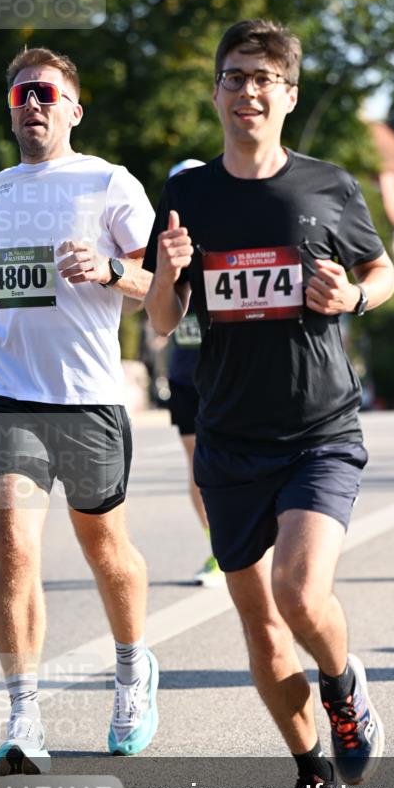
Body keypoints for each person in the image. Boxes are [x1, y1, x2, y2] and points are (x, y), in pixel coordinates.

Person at [143, 19, 394, 788]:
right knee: (257, 625)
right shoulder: (188, 195)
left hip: (319, 428)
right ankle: (308, 775)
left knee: (297, 592)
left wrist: (352, 298)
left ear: (286, 95)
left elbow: (380, 270)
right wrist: (170, 276)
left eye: (262, 78)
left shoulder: (328, 185)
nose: (246, 90)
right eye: (233, 76)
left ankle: (342, 680)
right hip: (227, 438)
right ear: (216, 92)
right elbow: (158, 321)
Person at [0, 47, 159, 775]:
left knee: (107, 553)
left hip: (89, 397)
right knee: (13, 549)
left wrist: (109, 270)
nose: (31, 104)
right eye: (20, 95)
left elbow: (157, 284)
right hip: (10, 396)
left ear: (74, 108)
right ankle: (23, 715)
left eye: (46, 92)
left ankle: (134, 671)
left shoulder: (110, 182)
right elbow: (5, 281)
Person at [166, 159, 224, 587]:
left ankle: (249, 542)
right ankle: (216, 549)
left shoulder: (223, 235)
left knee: (231, 462)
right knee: (197, 466)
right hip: (184, 375)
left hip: (226, 373)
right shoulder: (162, 245)